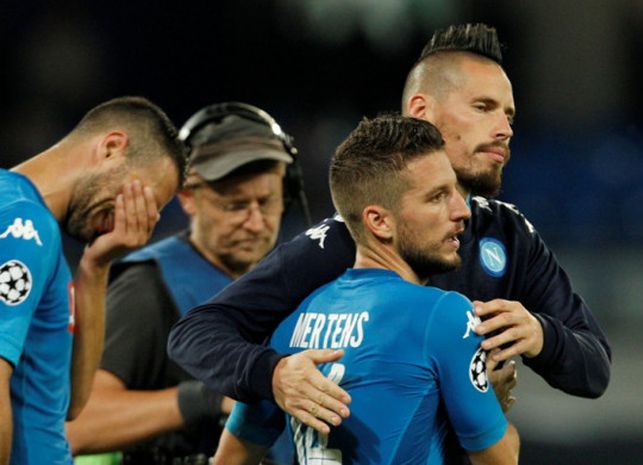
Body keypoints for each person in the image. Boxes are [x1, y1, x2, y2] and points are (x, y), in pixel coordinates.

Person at [168, 23, 611, 434]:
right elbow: (195, 334)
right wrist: (276, 375)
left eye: (509, 116)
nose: (504, 129)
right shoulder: (348, 239)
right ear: (422, 111)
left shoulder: (510, 235)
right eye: (483, 108)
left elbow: (595, 369)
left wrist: (541, 335)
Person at [216, 114, 520, 465]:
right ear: (379, 221)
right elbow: (501, 460)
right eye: (437, 197)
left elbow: (227, 459)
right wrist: (492, 412)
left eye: (454, 191)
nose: (460, 210)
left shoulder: (289, 319)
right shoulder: (444, 314)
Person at [65, 103, 301, 464]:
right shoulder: (148, 286)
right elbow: (78, 424)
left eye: (266, 203)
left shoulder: (297, 284)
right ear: (188, 197)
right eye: (235, 206)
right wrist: (204, 399)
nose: (256, 223)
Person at [0, 96, 187, 465]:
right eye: (139, 197)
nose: (135, 219)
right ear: (111, 148)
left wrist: (97, 266)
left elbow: (68, 402)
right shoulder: (26, 227)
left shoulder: (24, 218)